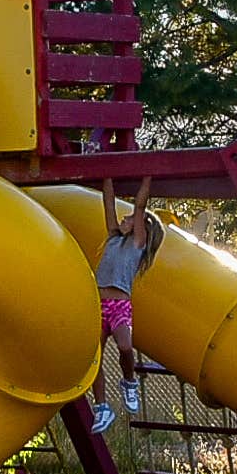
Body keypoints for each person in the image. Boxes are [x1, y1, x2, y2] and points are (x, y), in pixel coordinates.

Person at [93, 180, 163, 431]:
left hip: (120, 305)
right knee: (94, 358)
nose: (124, 217)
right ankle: (102, 408)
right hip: (98, 303)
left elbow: (141, 205)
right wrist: (108, 177)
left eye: (130, 217)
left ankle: (129, 383)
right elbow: (108, 203)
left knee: (125, 346)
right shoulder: (113, 238)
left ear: (141, 227)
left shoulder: (137, 243)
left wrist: (146, 177)